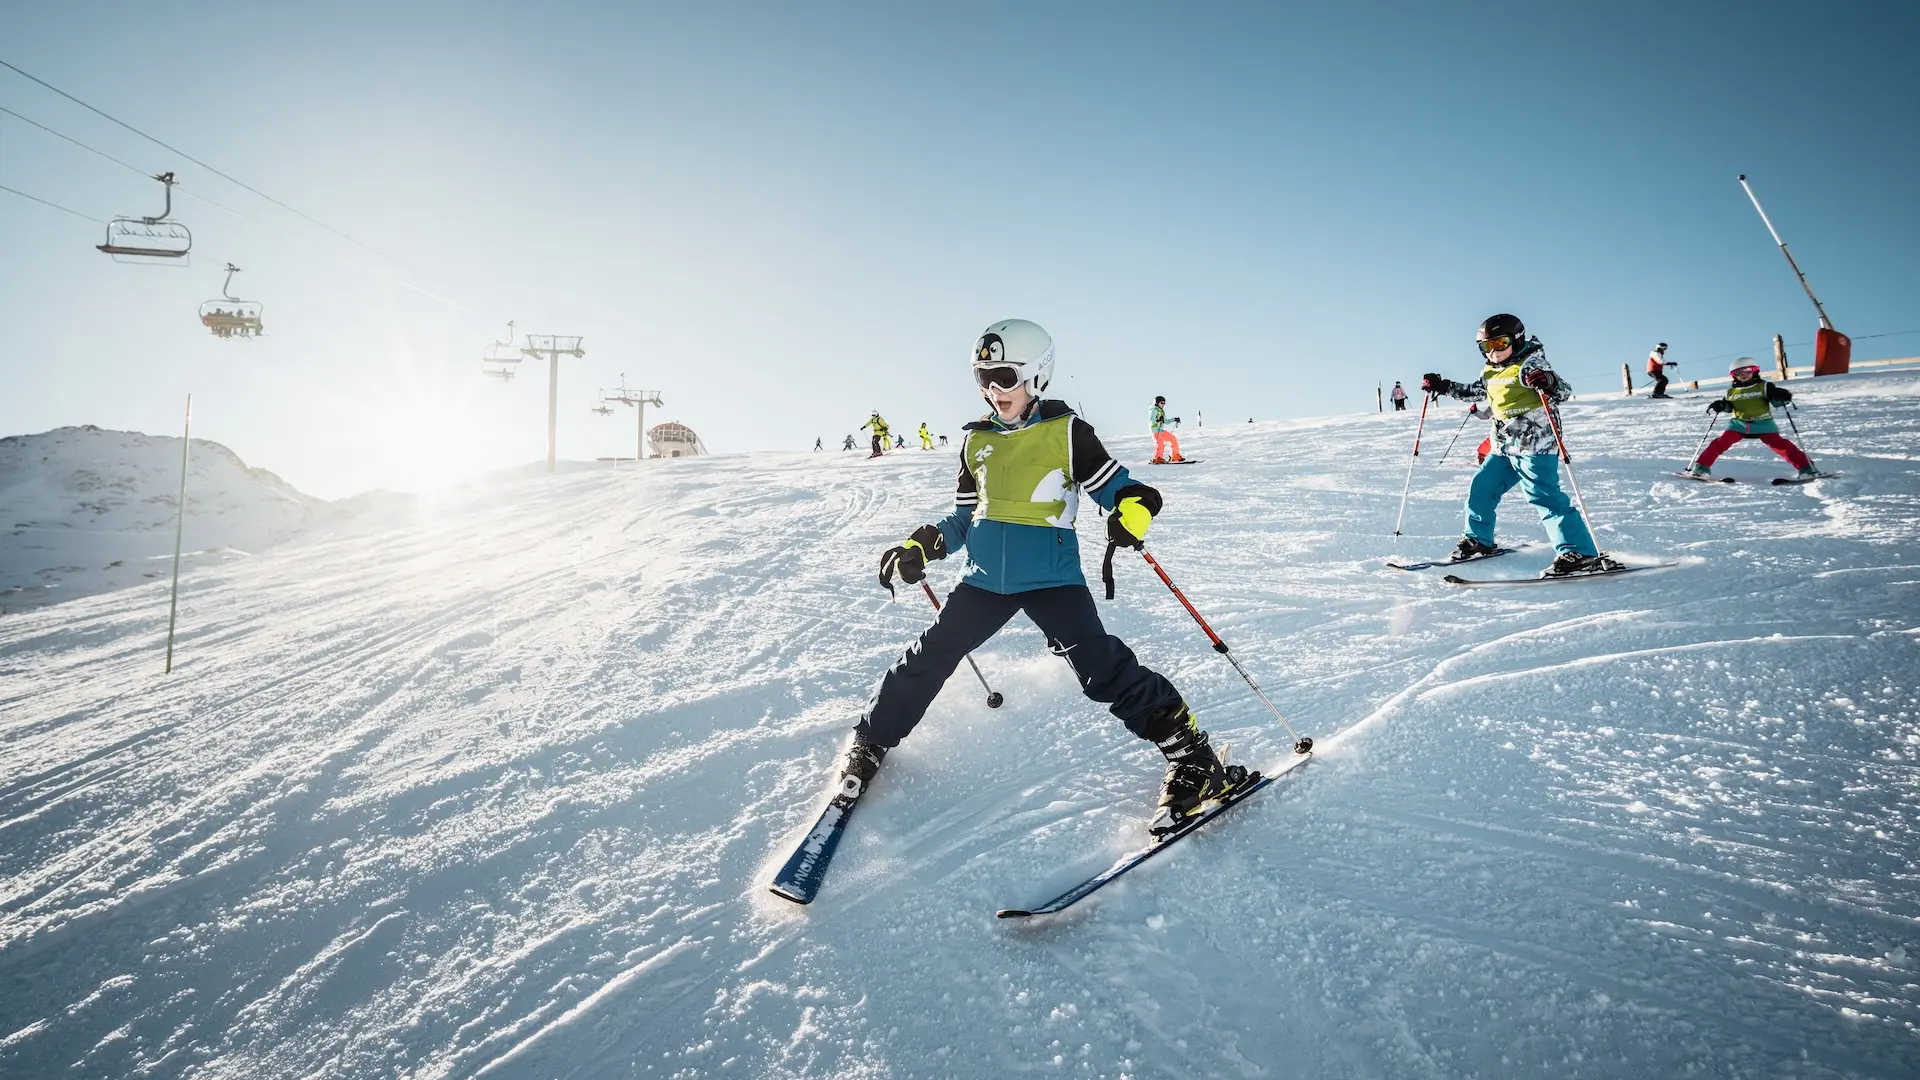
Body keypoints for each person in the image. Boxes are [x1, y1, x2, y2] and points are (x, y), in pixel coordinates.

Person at [839, 318, 1247, 837]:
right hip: (984, 580)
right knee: (930, 655)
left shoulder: (1068, 432)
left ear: (1036, 375)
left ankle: (1193, 758)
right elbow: (965, 519)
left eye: (1004, 376)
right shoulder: (976, 443)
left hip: (1053, 579)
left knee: (1101, 668)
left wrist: (1133, 513)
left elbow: (1124, 489)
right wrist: (924, 544)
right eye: (982, 377)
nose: (993, 389)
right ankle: (871, 740)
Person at [1422, 313, 1622, 577]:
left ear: (1516, 340)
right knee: (1481, 488)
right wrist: (1444, 385)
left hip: (1535, 443)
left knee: (1543, 495)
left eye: (1500, 343)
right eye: (1486, 346)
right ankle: (1479, 541)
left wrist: (1548, 382)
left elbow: (1562, 391)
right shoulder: (1491, 370)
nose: (1493, 351)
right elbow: (1476, 391)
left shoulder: (1531, 362)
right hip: (1503, 446)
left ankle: (1579, 552)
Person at [1684, 360, 1817, 480]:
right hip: (1738, 425)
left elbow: (1776, 403)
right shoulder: (1731, 391)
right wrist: (1721, 406)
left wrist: (1782, 397)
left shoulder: (1764, 386)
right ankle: (1701, 468)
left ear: (1755, 371)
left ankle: (1807, 468)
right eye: (1738, 372)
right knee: (1719, 444)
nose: (1743, 374)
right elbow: (1729, 407)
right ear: (1733, 375)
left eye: (1747, 371)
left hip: (1764, 424)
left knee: (1782, 446)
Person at [1149, 396, 1185, 463]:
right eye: (1161, 403)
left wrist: (1174, 419)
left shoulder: (1161, 411)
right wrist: (1158, 420)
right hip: (1156, 430)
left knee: (1173, 439)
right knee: (1160, 443)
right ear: (1156, 403)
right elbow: (1152, 420)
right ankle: (1157, 458)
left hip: (1161, 430)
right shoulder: (1154, 410)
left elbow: (1166, 421)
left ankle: (1175, 456)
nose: (1163, 405)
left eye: (1164, 403)